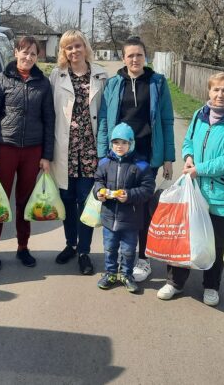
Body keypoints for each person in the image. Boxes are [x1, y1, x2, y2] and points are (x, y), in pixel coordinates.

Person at [157, 72, 224, 306]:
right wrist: (188, 157)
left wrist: (200, 168)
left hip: (220, 193)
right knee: (184, 236)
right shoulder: (200, 114)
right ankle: (175, 282)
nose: (220, 95)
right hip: (194, 189)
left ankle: (211, 285)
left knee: (216, 242)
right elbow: (188, 141)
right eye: (216, 90)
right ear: (209, 91)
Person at [97, 36, 175, 282]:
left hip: (146, 154)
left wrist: (168, 158)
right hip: (118, 154)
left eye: (139, 55)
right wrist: (102, 155)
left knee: (142, 207)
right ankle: (117, 259)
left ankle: (143, 258)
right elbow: (103, 121)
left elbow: (166, 120)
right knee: (116, 204)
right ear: (124, 58)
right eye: (130, 55)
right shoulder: (113, 84)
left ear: (146, 57)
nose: (134, 59)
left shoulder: (158, 83)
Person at [0, 36, 55, 270]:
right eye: (24, 52)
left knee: (24, 201)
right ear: (15, 53)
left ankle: (23, 247)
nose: (28, 57)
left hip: (33, 150)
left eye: (33, 54)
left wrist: (46, 155)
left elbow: (49, 120)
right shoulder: (1, 80)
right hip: (6, 148)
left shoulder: (43, 84)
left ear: (37, 57)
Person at [49, 30, 108, 275]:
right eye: (68, 47)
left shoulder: (101, 76)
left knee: (86, 204)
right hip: (64, 150)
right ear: (63, 51)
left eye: (77, 46)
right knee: (67, 202)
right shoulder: (56, 76)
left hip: (90, 151)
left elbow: (105, 114)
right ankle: (70, 245)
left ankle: (84, 251)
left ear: (85, 48)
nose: (74, 51)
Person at [93, 123, 156, 293]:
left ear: (131, 143)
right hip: (108, 217)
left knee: (128, 250)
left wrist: (129, 195)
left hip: (131, 219)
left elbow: (147, 189)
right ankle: (110, 273)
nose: (119, 146)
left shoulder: (141, 166)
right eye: (115, 142)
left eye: (123, 143)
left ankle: (126, 274)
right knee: (110, 247)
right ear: (111, 144)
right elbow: (98, 180)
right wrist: (99, 192)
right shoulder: (105, 163)